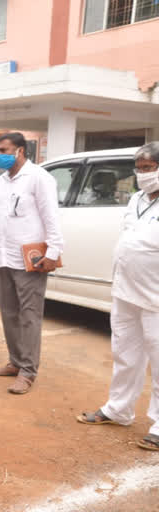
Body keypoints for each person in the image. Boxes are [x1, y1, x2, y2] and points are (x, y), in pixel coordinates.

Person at [76, 142, 159, 451]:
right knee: (125, 354)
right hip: (126, 291)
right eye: (139, 168)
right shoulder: (136, 199)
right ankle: (118, 409)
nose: (142, 174)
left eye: (149, 168)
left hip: (156, 296)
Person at [0, 132, 64, 395]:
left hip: (31, 260)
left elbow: (51, 216)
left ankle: (28, 371)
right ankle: (15, 361)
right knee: (9, 313)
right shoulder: (4, 180)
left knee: (30, 316)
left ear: (20, 151)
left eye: (4, 150)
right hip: (5, 257)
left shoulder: (39, 178)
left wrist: (53, 252)